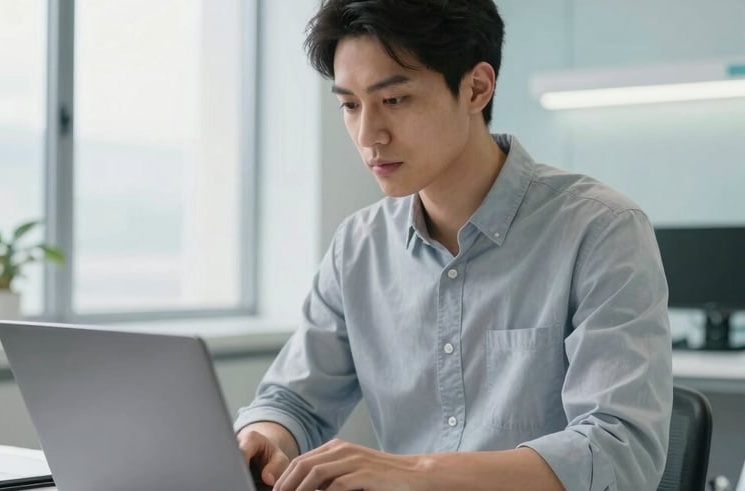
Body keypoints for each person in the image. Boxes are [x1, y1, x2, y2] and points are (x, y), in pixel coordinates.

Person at [235, 1, 673, 489]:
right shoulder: (358, 246)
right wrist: (263, 436)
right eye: (350, 105)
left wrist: (416, 473)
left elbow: (619, 451)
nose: (368, 135)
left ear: (476, 88)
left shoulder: (602, 229)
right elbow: (294, 401)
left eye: (394, 100)